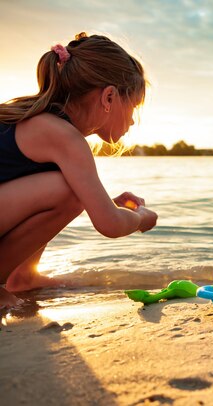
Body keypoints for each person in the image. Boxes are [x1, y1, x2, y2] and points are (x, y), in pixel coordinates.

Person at [0, 33, 158, 309]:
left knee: (69, 188)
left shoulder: (45, 123)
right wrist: (141, 217)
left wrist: (108, 204)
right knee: (69, 192)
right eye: (133, 107)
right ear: (109, 97)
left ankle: (23, 276)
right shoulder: (64, 136)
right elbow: (109, 224)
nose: (133, 121)